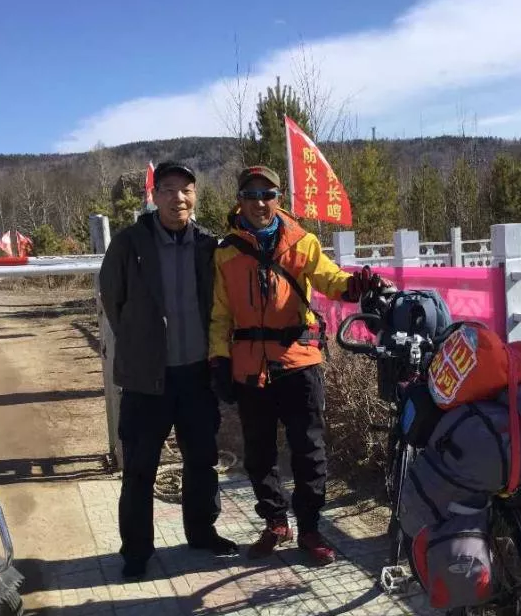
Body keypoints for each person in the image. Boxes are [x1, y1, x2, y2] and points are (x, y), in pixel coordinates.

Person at [209, 165, 385, 565]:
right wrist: (217, 359)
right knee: (258, 452)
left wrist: (356, 285)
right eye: (251, 194)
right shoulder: (225, 252)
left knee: (309, 450)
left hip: (299, 361)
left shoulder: (302, 243)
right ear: (239, 199)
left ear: (279, 198)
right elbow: (220, 314)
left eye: (268, 194)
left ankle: (308, 528)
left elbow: (330, 279)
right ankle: (275, 521)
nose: (259, 202)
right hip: (250, 366)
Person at [100, 161, 238, 580]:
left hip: (196, 374)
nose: (178, 197)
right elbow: (113, 300)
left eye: (186, 190)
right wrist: (142, 343)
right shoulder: (129, 243)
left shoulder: (207, 245)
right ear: (155, 195)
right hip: (147, 380)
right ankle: (137, 551)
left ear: (195, 196)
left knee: (202, 458)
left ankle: (202, 532)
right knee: (141, 467)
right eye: (169, 189)